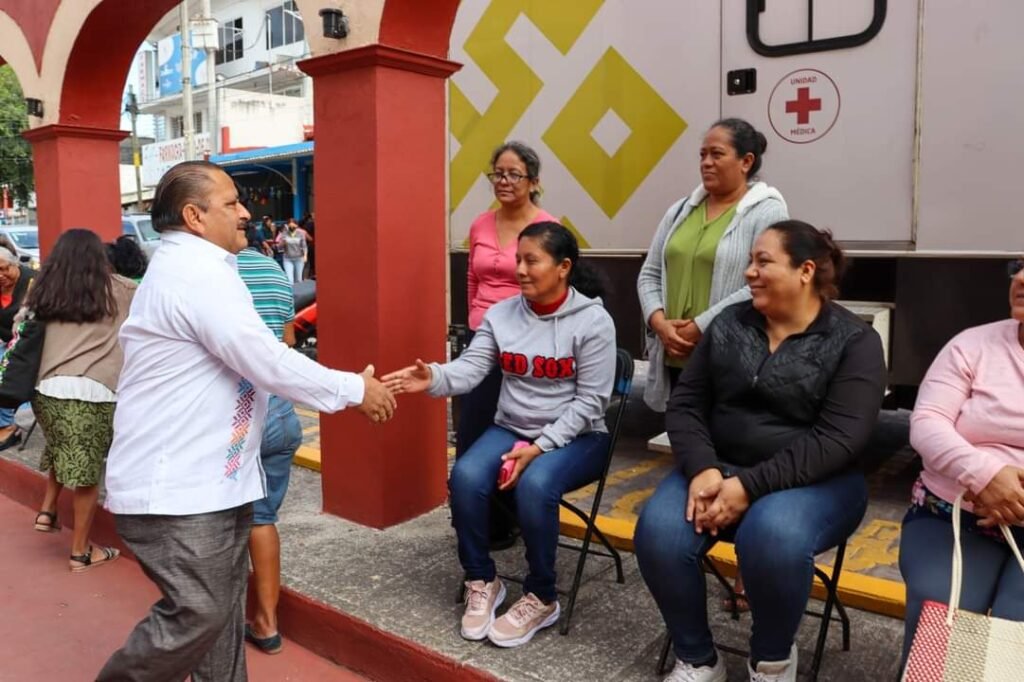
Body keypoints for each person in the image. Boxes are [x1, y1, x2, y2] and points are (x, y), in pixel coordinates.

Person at [96, 160, 397, 682]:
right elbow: (264, 358)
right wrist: (355, 389)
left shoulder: (208, 268)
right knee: (201, 613)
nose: (245, 213)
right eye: (232, 203)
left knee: (221, 615)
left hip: (214, 483)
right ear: (194, 216)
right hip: (179, 490)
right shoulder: (192, 274)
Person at [634, 221, 885, 682]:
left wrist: (748, 487)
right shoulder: (731, 324)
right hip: (720, 467)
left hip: (818, 481)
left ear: (806, 270)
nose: (749, 272)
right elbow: (686, 404)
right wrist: (704, 469)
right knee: (659, 533)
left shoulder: (854, 341)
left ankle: (771, 661)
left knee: (772, 538)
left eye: (763, 261)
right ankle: (697, 658)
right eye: (750, 261)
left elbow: (838, 439)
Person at [384, 222, 615, 648]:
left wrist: (540, 447)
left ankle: (542, 595)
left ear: (564, 267)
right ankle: (482, 579)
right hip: (511, 428)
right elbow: (471, 369)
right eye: (518, 259)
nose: (520, 270)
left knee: (536, 485)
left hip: (580, 437)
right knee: (465, 477)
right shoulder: (502, 314)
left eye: (532, 261)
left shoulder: (593, 322)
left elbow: (592, 403)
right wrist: (432, 377)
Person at [898, 256, 1024, 672]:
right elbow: (927, 423)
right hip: (953, 516)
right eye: (1020, 265)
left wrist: (1014, 497)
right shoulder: (972, 345)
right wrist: (985, 476)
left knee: (1015, 633)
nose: (1022, 278)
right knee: (944, 623)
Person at [637, 118, 789, 412]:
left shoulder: (768, 211)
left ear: (746, 161)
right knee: (680, 430)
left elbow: (763, 282)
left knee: (721, 434)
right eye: (702, 155)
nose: (706, 163)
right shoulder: (681, 211)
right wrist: (660, 324)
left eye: (717, 154)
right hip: (673, 355)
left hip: (728, 359)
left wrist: (700, 327)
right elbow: (650, 274)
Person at [460, 141, 559, 547]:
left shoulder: (548, 228)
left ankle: (508, 519)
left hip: (525, 344)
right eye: (497, 173)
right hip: (481, 340)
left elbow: (554, 288)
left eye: (514, 174)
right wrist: (474, 320)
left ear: (533, 182)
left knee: (516, 431)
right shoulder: (481, 224)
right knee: (474, 428)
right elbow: (472, 278)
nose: (503, 181)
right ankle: (474, 520)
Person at [29, 229, 136, 572]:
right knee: (88, 476)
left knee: (64, 445)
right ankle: (81, 553)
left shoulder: (45, 290)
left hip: (46, 392)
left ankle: (48, 511)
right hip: (93, 392)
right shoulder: (122, 289)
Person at [237, 224, 303, 655]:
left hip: (236, 415)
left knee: (219, 519)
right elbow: (288, 340)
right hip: (280, 412)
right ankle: (266, 622)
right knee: (261, 517)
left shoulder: (207, 272)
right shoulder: (272, 270)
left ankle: (224, 621)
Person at [0, 247, 36, 450]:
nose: (1, 275)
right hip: (5, 340)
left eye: (4, 269)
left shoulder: (32, 282)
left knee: (5, 365)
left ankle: (7, 424)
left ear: (15, 264)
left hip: (28, 342)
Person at [276, 217, 308, 284]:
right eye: (290, 226)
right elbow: (279, 247)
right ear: (287, 226)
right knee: (290, 280)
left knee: (298, 280)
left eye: (293, 226)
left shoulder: (300, 234)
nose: (291, 227)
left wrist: (305, 256)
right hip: (287, 259)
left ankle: (298, 290)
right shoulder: (284, 233)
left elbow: (304, 246)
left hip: (299, 258)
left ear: (296, 225)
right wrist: (283, 243)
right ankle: (291, 290)